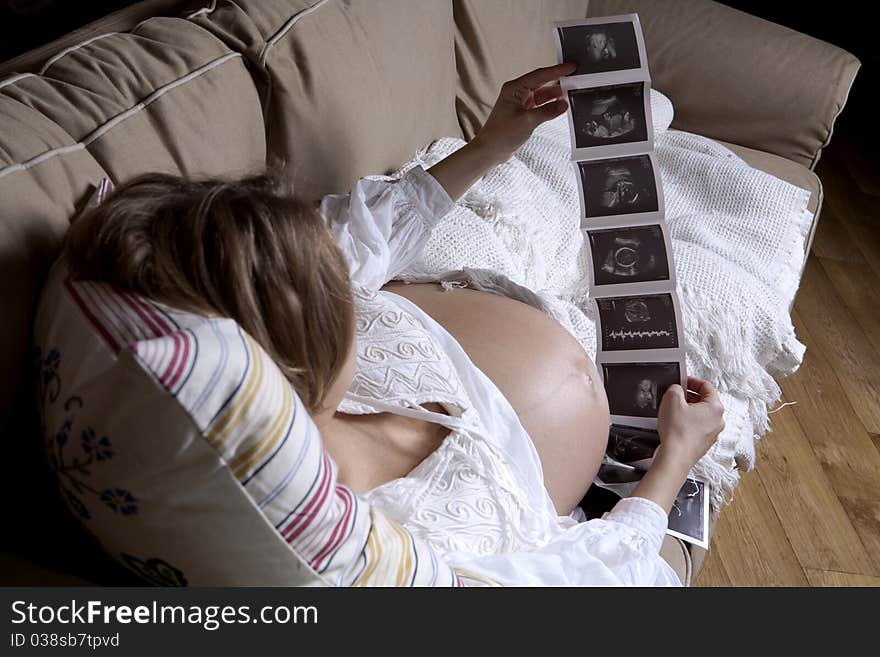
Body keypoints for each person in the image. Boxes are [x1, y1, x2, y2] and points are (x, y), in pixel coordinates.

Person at [64, 63, 724, 586]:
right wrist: (673, 460)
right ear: (309, 350)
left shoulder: (268, 338)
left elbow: (352, 238)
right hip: (606, 433)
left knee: (637, 126)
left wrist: (488, 147)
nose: (346, 288)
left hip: (488, 292)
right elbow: (599, 585)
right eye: (336, 297)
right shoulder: (384, 543)